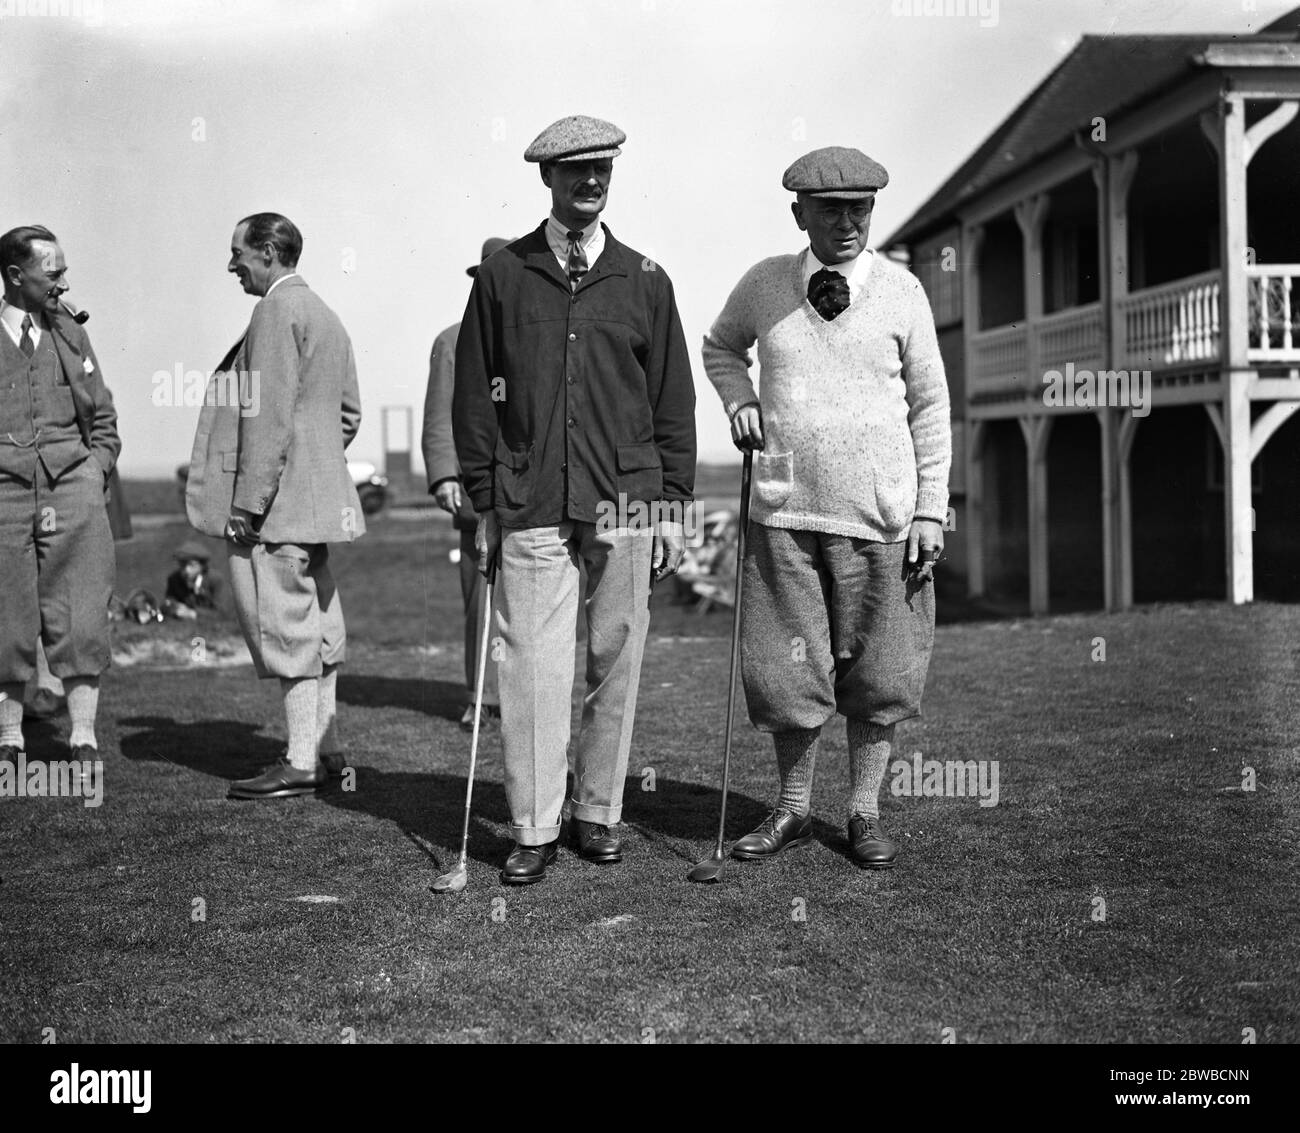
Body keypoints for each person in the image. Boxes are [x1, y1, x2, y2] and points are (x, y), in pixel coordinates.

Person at [454, 115, 697, 885]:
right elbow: (474, 398)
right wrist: (486, 500)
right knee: (529, 663)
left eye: (601, 169)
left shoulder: (646, 279)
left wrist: (673, 506)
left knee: (614, 658)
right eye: (574, 171)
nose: (590, 182)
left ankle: (598, 813)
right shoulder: (502, 277)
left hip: (627, 500)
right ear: (547, 179)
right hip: (528, 500)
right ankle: (533, 824)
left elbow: (673, 406)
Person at [701, 147, 951, 869]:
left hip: (883, 518)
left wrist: (930, 509)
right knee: (785, 673)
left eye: (861, 209)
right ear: (798, 214)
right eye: (831, 209)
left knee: (883, 672)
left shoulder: (903, 292)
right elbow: (721, 348)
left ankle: (864, 811)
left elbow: (932, 406)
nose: (847, 223)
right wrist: (740, 399)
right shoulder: (764, 285)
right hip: (783, 513)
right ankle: (792, 807)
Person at [186, 212, 365, 799]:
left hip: (277, 510)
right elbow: (346, 416)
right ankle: (326, 749)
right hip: (316, 506)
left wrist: (250, 502)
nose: (232, 264)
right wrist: (312, 471)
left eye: (238, 252)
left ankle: (299, 761)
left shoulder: (275, 311)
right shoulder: (325, 314)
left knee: (286, 627)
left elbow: (266, 421)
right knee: (321, 626)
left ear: (267, 252)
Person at [0, 225, 120, 765]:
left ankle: (83, 737)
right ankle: (9, 739)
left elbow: (104, 416)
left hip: (72, 489)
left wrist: (94, 473)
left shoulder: (71, 331)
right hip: (3, 496)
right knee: (7, 615)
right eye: (53, 273)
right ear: (15, 275)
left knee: (82, 610)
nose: (63, 283)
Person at [422, 237, 509, 732]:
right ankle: (482, 698)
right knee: (481, 594)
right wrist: (445, 476)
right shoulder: (451, 340)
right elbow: (439, 416)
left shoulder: (529, 335)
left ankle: (522, 693)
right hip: (475, 491)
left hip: (530, 490)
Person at [161, 539, 228, 619]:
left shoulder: (216, 580)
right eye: (182, 565)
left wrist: (193, 613)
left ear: (202, 566)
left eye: (192, 565)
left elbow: (222, 612)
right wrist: (175, 608)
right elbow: (168, 603)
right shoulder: (174, 579)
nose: (187, 570)